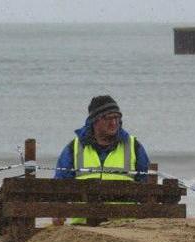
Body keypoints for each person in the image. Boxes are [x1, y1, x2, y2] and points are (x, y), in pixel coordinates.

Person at [53, 95, 150, 224]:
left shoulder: (133, 146)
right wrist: (58, 211)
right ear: (94, 120)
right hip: (83, 226)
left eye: (117, 117)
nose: (114, 123)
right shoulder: (74, 147)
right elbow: (60, 184)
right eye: (108, 118)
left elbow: (146, 186)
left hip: (124, 226)